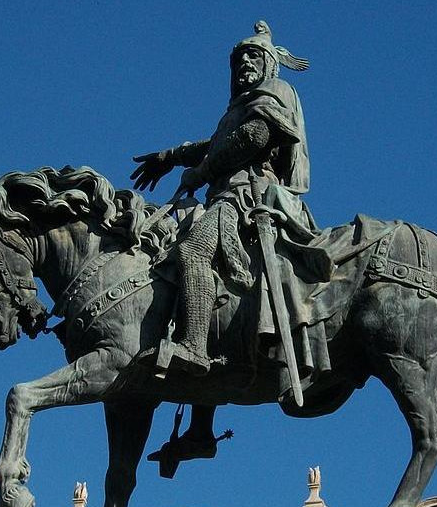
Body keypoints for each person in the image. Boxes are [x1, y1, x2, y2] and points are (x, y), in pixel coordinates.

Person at [131, 20, 315, 376]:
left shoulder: (274, 90)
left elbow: (253, 137)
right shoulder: (240, 107)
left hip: (245, 196)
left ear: (268, 63)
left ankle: (194, 347)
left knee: (192, 251)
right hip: (226, 194)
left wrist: (201, 173)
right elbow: (217, 143)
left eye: (253, 56)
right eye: (239, 58)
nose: (244, 62)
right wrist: (170, 157)